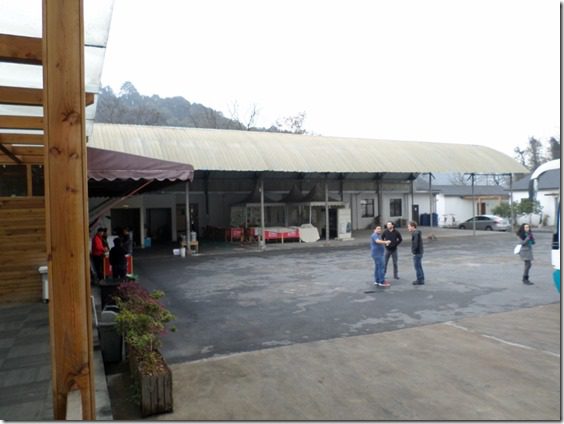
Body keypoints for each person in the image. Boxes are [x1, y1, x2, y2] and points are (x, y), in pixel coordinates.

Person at [407, 221, 425, 285]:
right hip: (420, 252)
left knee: (417, 266)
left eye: (409, 226)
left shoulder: (415, 233)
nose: (408, 228)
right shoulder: (416, 233)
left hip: (417, 252)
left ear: (413, 226)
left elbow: (415, 243)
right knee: (419, 266)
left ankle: (420, 280)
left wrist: (414, 251)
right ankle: (421, 279)